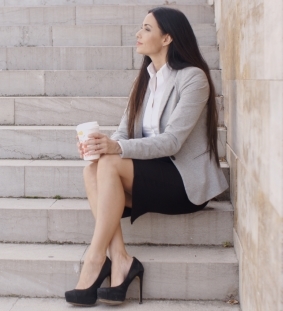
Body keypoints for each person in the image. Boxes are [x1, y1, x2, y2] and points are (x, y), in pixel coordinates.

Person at [64, 7, 229, 306]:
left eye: (146, 29)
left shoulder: (193, 79)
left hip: (183, 182)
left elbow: (173, 142)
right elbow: (123, 134)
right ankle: (122, 260)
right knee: (91, 170)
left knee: (111, 161)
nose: (138, 34)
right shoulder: (145, 80)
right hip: (151, 175)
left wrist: (115, 150)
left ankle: (95, 259)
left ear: (167, 37)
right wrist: (100, 146)